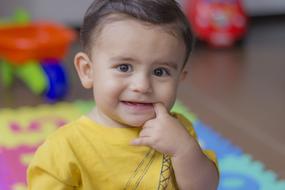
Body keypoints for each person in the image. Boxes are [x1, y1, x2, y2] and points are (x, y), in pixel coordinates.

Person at [27, 0, 219, 189]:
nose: (142, 86)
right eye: (124, 67)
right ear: (87, 71)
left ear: (179, 78)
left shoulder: (178, 133)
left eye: (160, 72)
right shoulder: (65, 149)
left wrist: (184, 150)